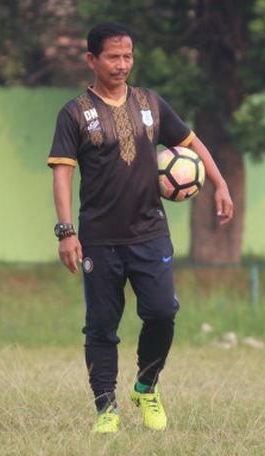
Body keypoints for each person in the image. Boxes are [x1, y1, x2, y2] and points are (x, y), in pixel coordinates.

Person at [47, 22, 233, 433]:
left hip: (150, 233)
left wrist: (220, 184)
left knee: (163, 312)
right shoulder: (74, 113)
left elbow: (190, 143)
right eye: (113, 57)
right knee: (101, 326)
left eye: (127, 56)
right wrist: (66, 231)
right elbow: (62, 175)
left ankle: (146, 386)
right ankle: (105, 409)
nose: (121, 64)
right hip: (98, 238)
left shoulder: (151, 102)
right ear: (92, 60)